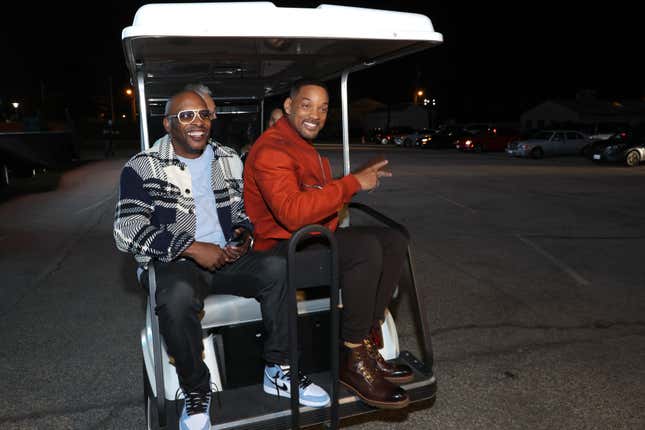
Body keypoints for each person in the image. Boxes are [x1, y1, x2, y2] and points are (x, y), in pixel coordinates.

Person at [113, 90, 329, 430]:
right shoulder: (142, 166)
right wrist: (192, 247)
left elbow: (242, 213)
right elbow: (126, 229)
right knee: (176, 296)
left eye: (203, 114)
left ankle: (279, 370)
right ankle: (196, 390)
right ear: (168, 124)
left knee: (278, 267)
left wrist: (243, 236)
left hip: (226, 256)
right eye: (185, 116)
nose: (197, 122)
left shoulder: (227, 158)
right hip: (177, 261)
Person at [243, 79, 416, 410]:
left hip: (308, 241)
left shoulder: (301, 147)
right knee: (364, 248)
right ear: (289, 107)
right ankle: (352, 356)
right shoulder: (272, 150)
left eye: (323, 108)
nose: (316, 115)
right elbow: (293, 213)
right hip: (278, 253)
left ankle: (365, 341)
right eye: (307, 105)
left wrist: (353, 180)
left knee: (394, 239)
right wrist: (351, 184)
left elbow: (317, 197)